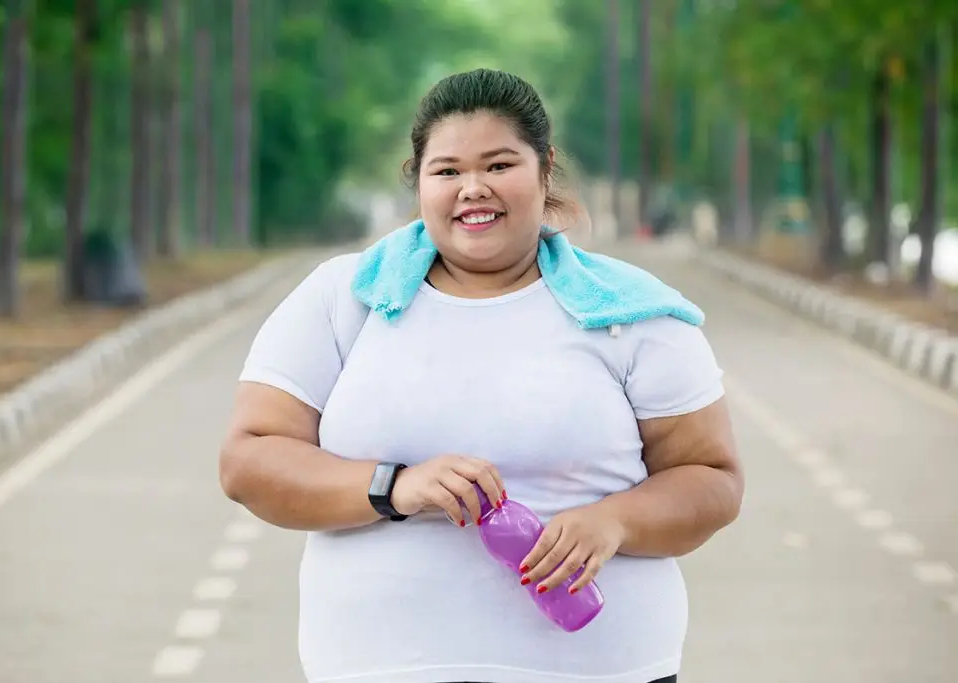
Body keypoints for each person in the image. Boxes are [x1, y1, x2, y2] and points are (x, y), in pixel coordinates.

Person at [219, 68, 743, 683]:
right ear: (418, 181)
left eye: (498, 166)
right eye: (447, 172)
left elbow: (712, 479)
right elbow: (249, 461)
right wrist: (395, 487)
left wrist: (615, 520)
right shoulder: (346, 297)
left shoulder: (631, 311)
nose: (473, 189)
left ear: (545, 169)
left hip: (598, 670)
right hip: (379, 666)